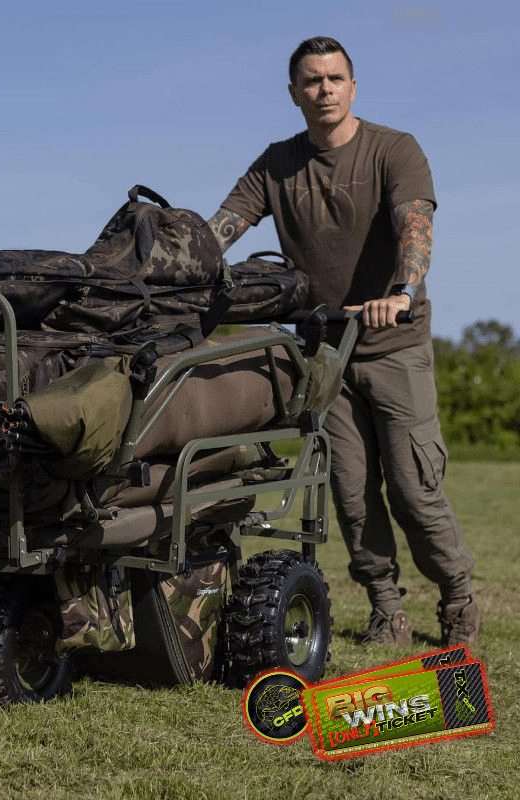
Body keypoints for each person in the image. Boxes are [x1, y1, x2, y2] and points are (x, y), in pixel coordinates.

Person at [207, 36, 480, 647]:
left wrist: (402, 290)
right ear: (294, 93)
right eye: (312, 80)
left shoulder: (393, 149)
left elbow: (415, 224)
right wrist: (176, 265)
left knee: (413, 489)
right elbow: (220, 229)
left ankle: (458, 597)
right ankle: (387, 609)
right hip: (325, 355)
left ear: (353, 86)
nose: (324, 89)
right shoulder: (276, 164)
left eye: (334, 78)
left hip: (394, 346)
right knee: (352, 496)